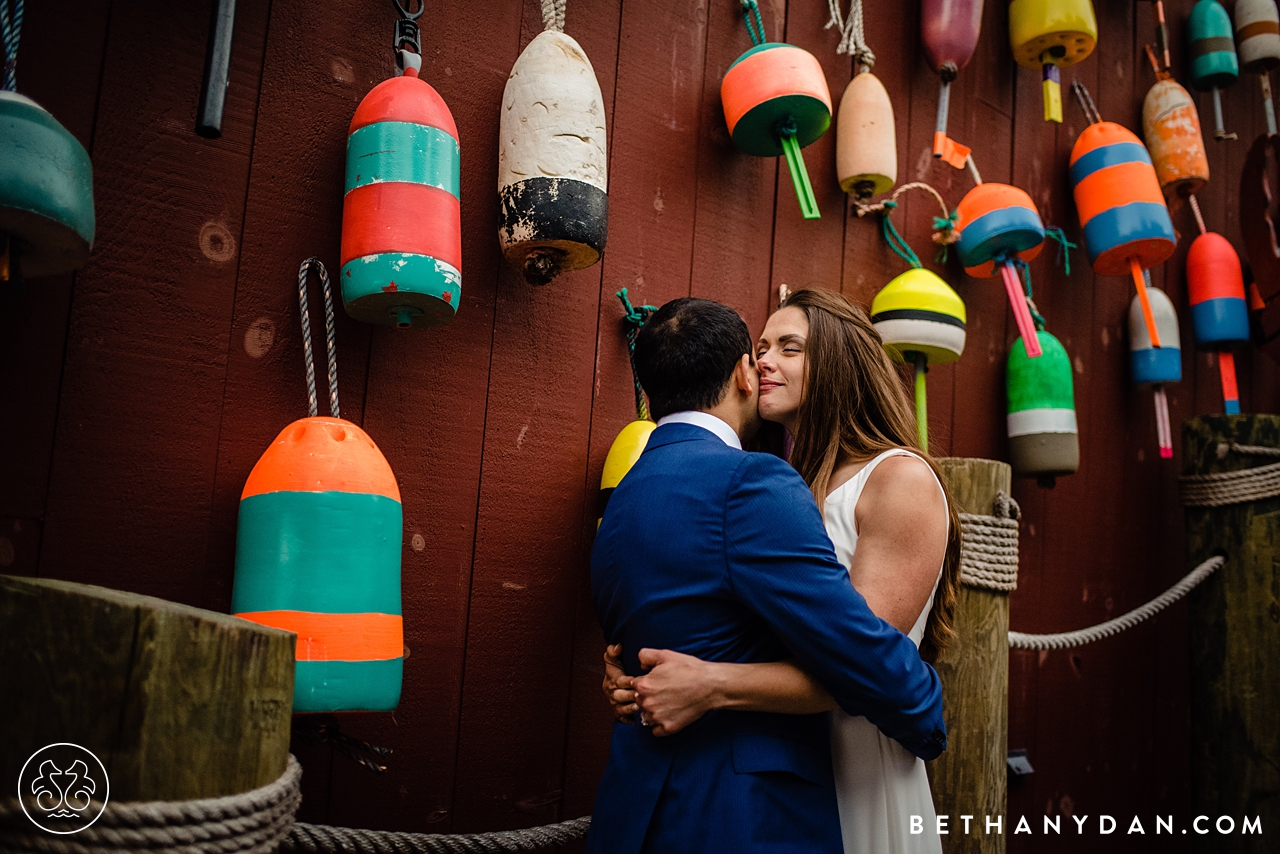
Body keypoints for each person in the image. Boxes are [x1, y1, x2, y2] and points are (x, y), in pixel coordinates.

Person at [602, 288, 961, 854]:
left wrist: (707, 683)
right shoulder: (771, 484)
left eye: (788, 347)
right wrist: (644, 680)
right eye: (761, 347)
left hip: (858, 758)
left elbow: (862, 661)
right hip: (781, 770)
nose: (762, 360)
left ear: (841, 361)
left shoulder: (898, 478)